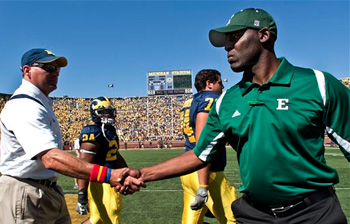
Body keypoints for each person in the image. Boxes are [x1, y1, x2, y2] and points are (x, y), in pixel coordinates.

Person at [117, 8, 350, 224]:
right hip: (255, 214)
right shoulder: (226, 101)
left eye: (234, 38)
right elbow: (200, 155)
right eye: (226, 42)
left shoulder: (318, 84)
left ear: (264, 35)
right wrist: (143, 173)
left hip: (315, 213)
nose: (227, 47)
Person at [0, 48, 141, 224]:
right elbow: (51, 158)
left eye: (57, 69)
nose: (55, 73)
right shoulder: (24, 105)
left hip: (46, 189)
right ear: (27, 70)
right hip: (26, 190)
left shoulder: (41, 103)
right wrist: (109, 175)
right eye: (48, 68)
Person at [179, 69, 236, 224]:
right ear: (209, 84)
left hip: (187, 171)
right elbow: (203, 142)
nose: (222, 86)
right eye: (219, 82)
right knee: (235, 219)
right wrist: (203, 184)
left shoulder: (189, 101)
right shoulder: (211, 98)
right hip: (206, 172)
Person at [76, 96, 127, 224]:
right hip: (101, 180)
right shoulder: (93, 132)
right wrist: (82, 194)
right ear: (95, 113)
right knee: (112, 217)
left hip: (112, 179)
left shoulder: (110, 130)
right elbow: (83, 165)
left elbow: (115, 154)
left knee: (97, 219)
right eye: (103, 111)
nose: (108, 114)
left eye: (109, 111)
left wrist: (127, 172)